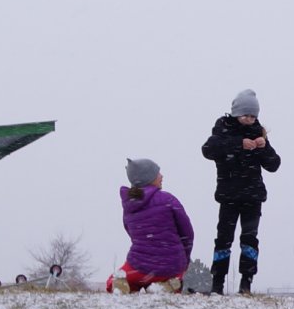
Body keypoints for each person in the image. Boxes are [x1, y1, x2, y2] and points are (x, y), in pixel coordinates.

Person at [200, 88, 281, 295]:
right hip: (228, 196)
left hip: (253, 197)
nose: (249, 120)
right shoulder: (223, 128)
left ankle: (246, 283)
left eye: (253, 116)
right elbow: (208, 150)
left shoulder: (258, 132)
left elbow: (274, 165)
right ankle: (217, 283)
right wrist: (238, 144)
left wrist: (263, 148)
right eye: (246, 115)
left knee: (249, 239)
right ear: (236, 113)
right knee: (223, 239)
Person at [111, 158, 194, 292]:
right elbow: (187, 233)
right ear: (149, 178)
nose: (161, 176)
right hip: (172, 265)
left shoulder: (129, 205)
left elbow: (131, 233)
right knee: (175, 279)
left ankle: (125, 286)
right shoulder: (168, 199)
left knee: (114, 279)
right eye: (157, 173)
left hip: (139, 266)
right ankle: (166, 286)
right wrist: (185, 260)